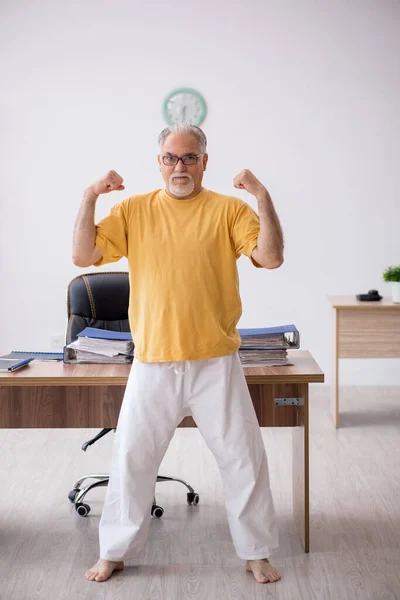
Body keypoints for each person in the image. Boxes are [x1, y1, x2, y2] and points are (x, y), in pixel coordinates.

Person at [72, 124, 284, 584]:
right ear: (159, 161)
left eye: (189, 158)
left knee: (243, 459)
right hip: (154, 361)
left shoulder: (230, 210)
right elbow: (83, 255)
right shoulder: (133, 209)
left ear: (205, 161)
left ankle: (257, 552)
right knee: (131, 459)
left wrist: (262, 195)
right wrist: (92, 194)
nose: (179, 167)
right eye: (171, 158)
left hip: (215, 361)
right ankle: (114, 550)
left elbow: (269, 258)